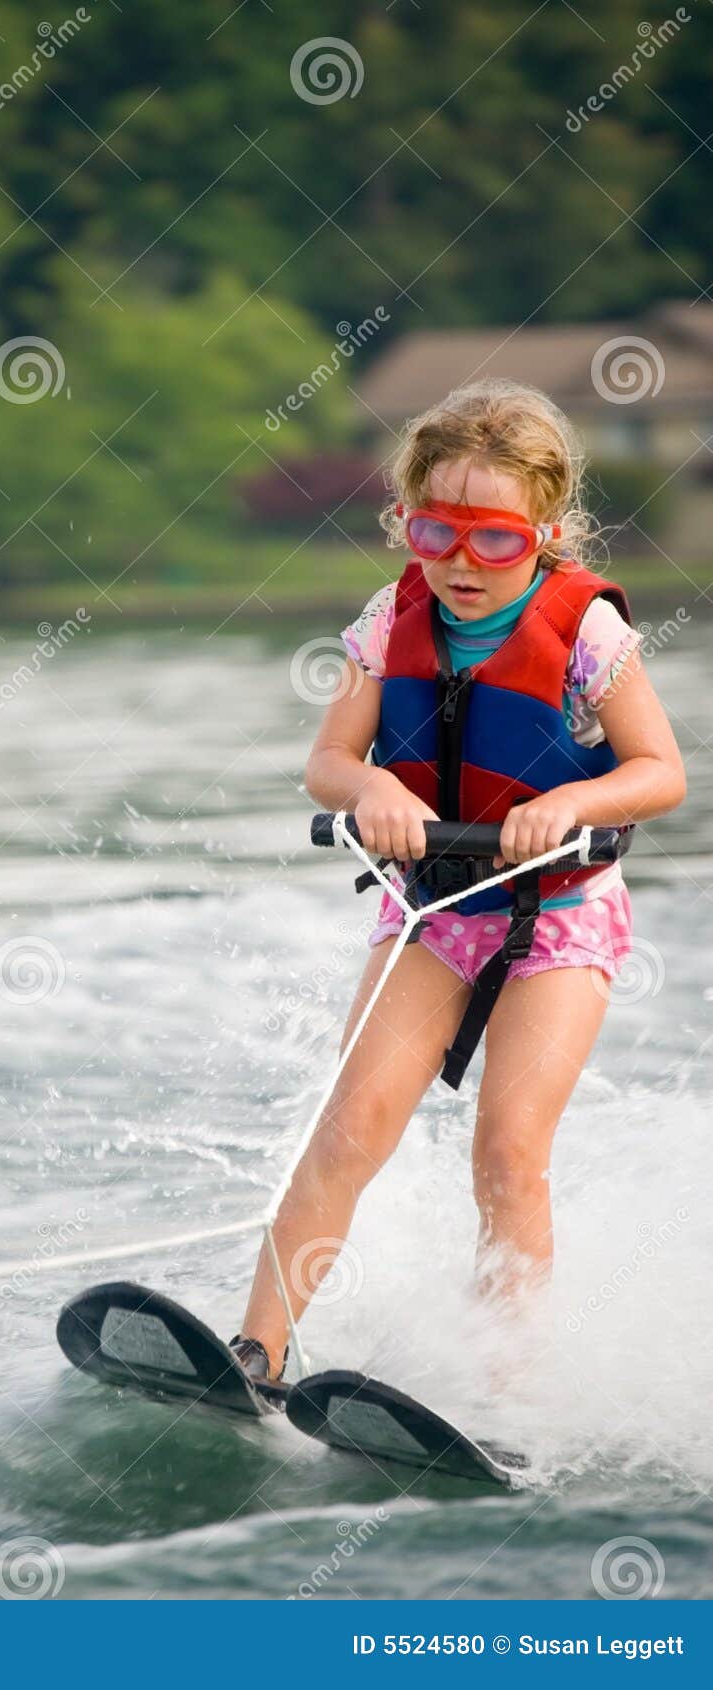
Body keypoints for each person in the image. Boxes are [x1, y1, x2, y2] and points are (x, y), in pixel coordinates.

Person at [231, 377, 686, 1383]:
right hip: (434, 908)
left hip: (559, 916)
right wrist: (375, 785)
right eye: (435, 536)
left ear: (546, 532)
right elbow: (328, 765)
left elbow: (662, 772)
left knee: (506, 1150)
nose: (461, 566)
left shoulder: (590, 636)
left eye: (494, 540)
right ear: (408, 525)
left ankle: (505, 1391)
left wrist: (570, 804)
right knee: (349, 1130)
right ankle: (255, 1357)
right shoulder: (385, 621)